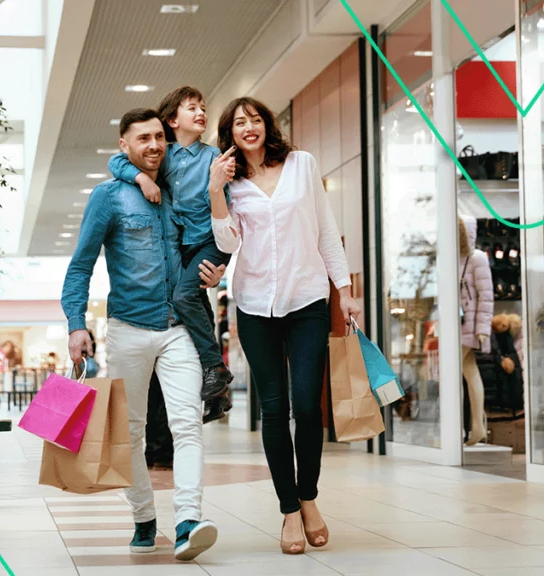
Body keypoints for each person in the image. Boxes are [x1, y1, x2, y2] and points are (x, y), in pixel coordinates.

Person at [62, 108, 226, 561]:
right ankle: (143, 518)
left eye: (159, 137)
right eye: (143, 139)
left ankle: (189, 519)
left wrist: (215, 273)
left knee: (186, 424)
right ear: (125, 145)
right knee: (131, 432)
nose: (154, 145)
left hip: (179, 329)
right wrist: (76, 324)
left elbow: (208, 239)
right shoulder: (109, 197)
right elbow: (80, 265)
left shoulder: (176, 188)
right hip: (128, 329)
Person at [208, 97, 361, 555]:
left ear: (267, 124)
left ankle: (309, 497)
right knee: (273, 409)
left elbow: (325, 230)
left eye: (254, 119)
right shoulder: (231, 184)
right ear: (230, 135)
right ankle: (290, 511)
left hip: (308, 298)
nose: (248, 127)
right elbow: (227, 242)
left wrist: (346, 289)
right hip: (255, 306)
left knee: (307, 405)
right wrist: (216, 191)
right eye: (239, 123)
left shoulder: (302, 164)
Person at [108, 86, 233, 424]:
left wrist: (223, 262)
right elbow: (116, 161)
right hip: (181, 244)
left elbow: (230, 213)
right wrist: (141, 179)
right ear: (173, 121)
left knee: (182, 295)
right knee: (194, 302)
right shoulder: (165, 155)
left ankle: (215, 370)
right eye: (192, 107)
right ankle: (217, 390)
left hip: (210, 241)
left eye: (203, 107)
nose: (201, 112)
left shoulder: (215, 158)